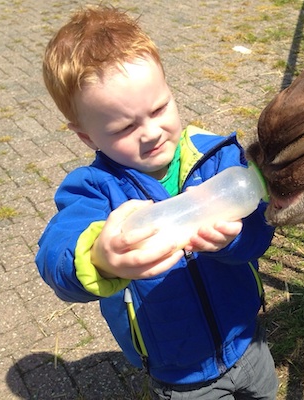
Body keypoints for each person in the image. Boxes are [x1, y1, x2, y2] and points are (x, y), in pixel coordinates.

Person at [35, 5, 278, 399]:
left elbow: (260, 233)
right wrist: (100, 256)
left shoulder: (216, 157)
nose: (151, 132)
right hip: (179, 372)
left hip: (248, 340)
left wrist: (234, 240)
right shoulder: (94, 189)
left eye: (160, 108)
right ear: (86, 137)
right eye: (125, 127)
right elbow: (53, 255)